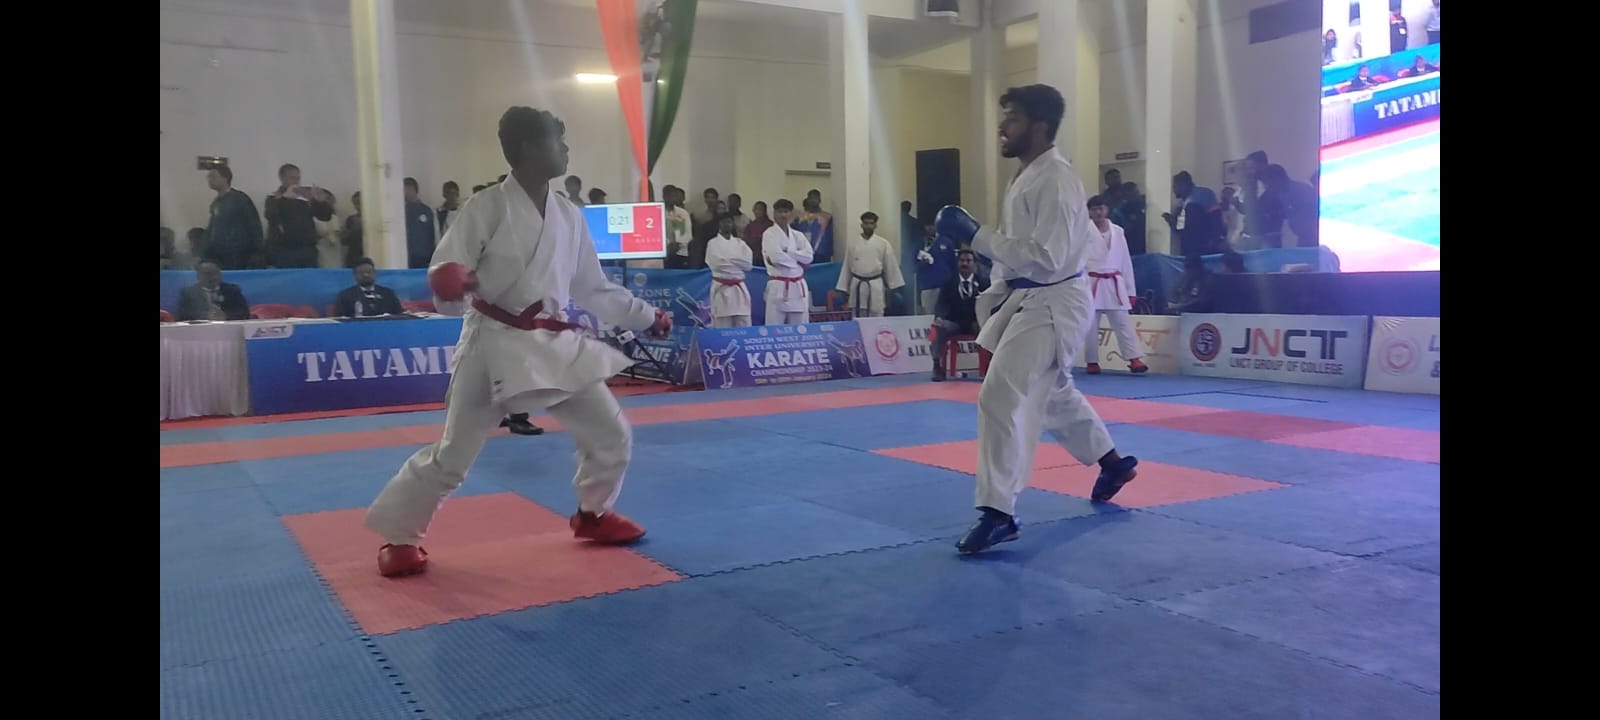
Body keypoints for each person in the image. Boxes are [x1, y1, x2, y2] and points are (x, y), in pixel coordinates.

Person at [363, 106, 673, 578]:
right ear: (529, 148)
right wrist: (448, 283)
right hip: (493, 342)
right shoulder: (485, 207)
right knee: (453, 456)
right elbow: (449, 272)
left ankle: (593, 513)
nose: (566, 149)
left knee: (610, 433)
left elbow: (594, 288)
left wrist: (647, 316)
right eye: (557, 141)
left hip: (551, 341)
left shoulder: (568, 216)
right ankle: (400, 537)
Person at [934, 83, 1140, 555]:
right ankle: (1112, 463)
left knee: (1000, 394)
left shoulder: (1057, 180)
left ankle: (999, 511)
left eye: (1013, 117)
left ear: (1040, 126)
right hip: (1030, 297)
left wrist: (976, 235)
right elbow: (1024, 253)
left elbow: (1048, 257)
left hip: (1054, 300)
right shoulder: (1028, 175)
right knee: (1052, 392)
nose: (1002, 126)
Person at [1082, 195, 1148, 375]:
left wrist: (1130, 290)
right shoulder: (1082, 231)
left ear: (1107, 209)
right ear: (1089, 212)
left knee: (1122, 322)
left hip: (1114, 282)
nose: (1098, 212)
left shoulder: (1118, 231)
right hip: (1091, 281)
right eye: (1094, 209)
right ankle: (1092, 361)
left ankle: (1134, 359)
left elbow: (1125, 261)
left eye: (1101, 208)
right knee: (1090, 325)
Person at [930, 249, 989, 381]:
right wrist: (939, 317)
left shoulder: (984, 283)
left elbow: (990, 303)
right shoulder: (948, 283)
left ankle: (990, 368)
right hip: (954, 322)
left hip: (975, 322)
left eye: (968, 261)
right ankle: (937, 366)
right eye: (962, 260)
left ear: (975, 264)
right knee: (940, 327)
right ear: (957, 263)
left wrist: (985, 319)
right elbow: (940, 304)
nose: (965, 264)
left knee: (990, 328)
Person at [835, 211, 905, 318]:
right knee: (857, 315)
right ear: (861, 225)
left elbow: (890, 265)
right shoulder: (853, 243)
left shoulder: (883, 243)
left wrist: (895, 287)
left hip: (875, 284)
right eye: (866, 223)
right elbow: (847, 267)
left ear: (875, 225)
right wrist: (842, 289)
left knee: (877, 314)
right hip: (857, 284)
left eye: (871, 223)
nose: (868, 226)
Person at [761, 198, 814, 325]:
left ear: (791, 214)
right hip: (778, 284)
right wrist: (797, 261)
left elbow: (809, 257)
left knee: (800, 326)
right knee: (774, 326)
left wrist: (789, 252)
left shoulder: (798, 235)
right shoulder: (769, 234)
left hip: (797, 285)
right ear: (774, 214)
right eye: (780, 212)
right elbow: (776, 258)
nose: (783, 215)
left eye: (786, 211)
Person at [704, 213, 754, 327]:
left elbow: (748, 265)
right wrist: (737, 261)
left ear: (733, 224)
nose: (727, 224)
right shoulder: (712, 243)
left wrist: (728, 259)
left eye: (729, 222)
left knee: (743, 322)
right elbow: (716, 264)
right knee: (722, 324)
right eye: (724, 222)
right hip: (721, 287)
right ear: (719, 224)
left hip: (739, 289)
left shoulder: (740, 243)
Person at [333, 258, 404, 317]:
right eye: (361, 273)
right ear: (354, 275)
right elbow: (340, 319)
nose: (366, 275)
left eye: (369, 272)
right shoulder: (345, 296)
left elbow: (400, 315)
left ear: (375, 273)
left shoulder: (388, 294)